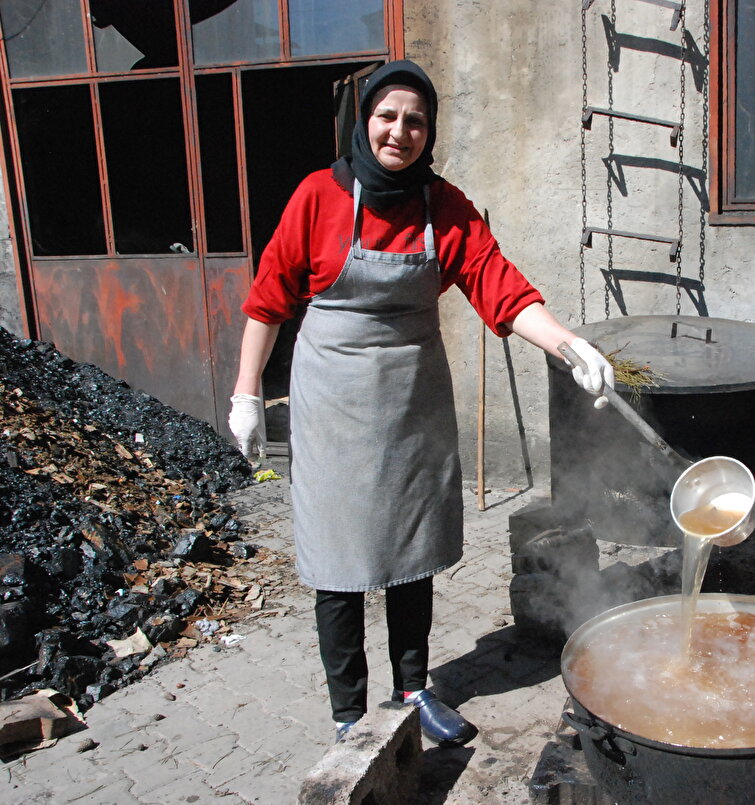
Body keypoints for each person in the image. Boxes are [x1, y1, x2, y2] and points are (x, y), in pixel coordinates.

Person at [226, 60, 613, 746]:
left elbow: (500, 285)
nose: (399, 131)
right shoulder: (318, 197)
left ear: (428, 133)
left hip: (413, 404)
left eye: (415, 121)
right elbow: (268, 300)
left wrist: (567, 345)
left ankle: (412, 688)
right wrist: (246, 392)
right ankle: (349, 715)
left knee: (412, 551)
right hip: (334, 405)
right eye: (387, 116)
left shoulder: (442, 205)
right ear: (363, 121)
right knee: (337, 565)